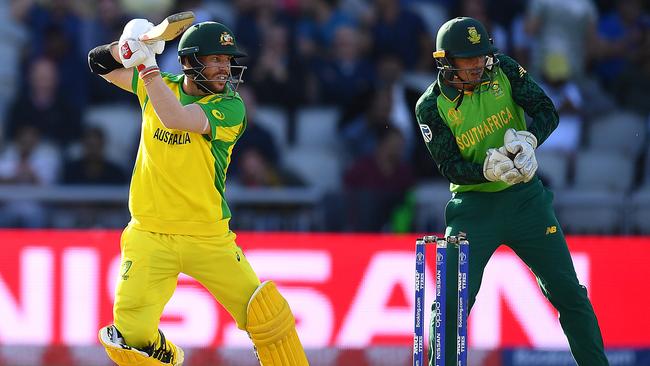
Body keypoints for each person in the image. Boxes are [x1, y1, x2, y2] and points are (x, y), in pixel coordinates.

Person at [87, 19, 309, 366]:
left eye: (227, 60)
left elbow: (174, 117)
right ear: (190, 62)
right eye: (216, 59)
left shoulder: (231, 107)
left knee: (267, 315)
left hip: (207, 236)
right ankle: (156, 349)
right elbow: (97, 64)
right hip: (149, 234)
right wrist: (127, 48)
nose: (225, 68)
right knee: (129, 340)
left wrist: (145, 65)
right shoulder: (161, 85)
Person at [414, 17, 609, 366]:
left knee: (570, 295)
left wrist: (531, 140)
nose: (477, 67)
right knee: (450, 303)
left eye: (481, 58)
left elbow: (546, 110)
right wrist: (484, 170)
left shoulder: (502, 67)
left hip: (526, 199)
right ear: (446, 62)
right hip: (472, 209)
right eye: (467, 61)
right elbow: (448, 165)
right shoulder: (430, 106)